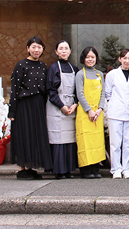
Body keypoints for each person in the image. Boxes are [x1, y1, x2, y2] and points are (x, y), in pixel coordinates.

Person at [9, 36, 53, 179]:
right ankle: (22, 168)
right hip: (24, 104)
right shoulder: (21, 65)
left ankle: (31, 167)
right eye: (33, 47)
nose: (36, 50)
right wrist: (12, 111)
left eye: (39, 47)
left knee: (35, 135)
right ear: (28, 48)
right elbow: (14, 89)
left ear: (42, 50)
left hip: (38, 104)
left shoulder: (43, 66)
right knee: (25, 134)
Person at [46, 40, 79, 179]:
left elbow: (79, 90)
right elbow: (50, 90)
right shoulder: (53, 68)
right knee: (58, 139)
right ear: (56, 52)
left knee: (69, 139)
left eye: (66, 48)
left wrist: (75, 104)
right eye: (61, 48)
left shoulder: (75, 69)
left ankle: (68, 169)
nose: (64, 51)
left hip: (71, 106)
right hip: (56, 107)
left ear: (70, 51)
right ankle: (58, 170)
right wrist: (62, 106)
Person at [105, 48, 129, 179]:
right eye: (125, 58)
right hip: (115, 113)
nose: (127, 61)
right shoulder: (112, 74)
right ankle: (116, 169)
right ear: (120, 59)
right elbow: (107, 93)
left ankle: (127, 169)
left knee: (128, 142)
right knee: (115, 143)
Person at [75, 46, 106, 179]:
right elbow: (80, 94)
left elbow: (103, 93)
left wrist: (100, 109)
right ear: (83, 58)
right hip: (85, 112)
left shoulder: (99, 74)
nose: (90, 59)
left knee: (97, 141)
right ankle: (86, 169)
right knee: (85, 140)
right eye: (88, 57)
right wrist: (89, 110)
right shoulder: (80, 74)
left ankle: (95, 168)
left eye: (92, 57)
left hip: (97, 113)